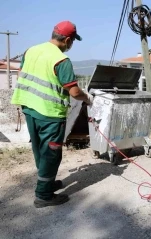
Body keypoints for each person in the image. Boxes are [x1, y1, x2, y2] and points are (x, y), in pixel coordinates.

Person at [11, 20, 94, 208]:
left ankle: (46, 182)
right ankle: (43, 195)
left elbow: (22, 74)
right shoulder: (61, 60)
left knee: (40, 149)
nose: (71, 45)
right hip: (49, 113)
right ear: (66, 40)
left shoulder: (31, 50)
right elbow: (74, 92)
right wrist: (87, 98)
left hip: (29, 107)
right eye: (72, 41)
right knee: (51, 153)